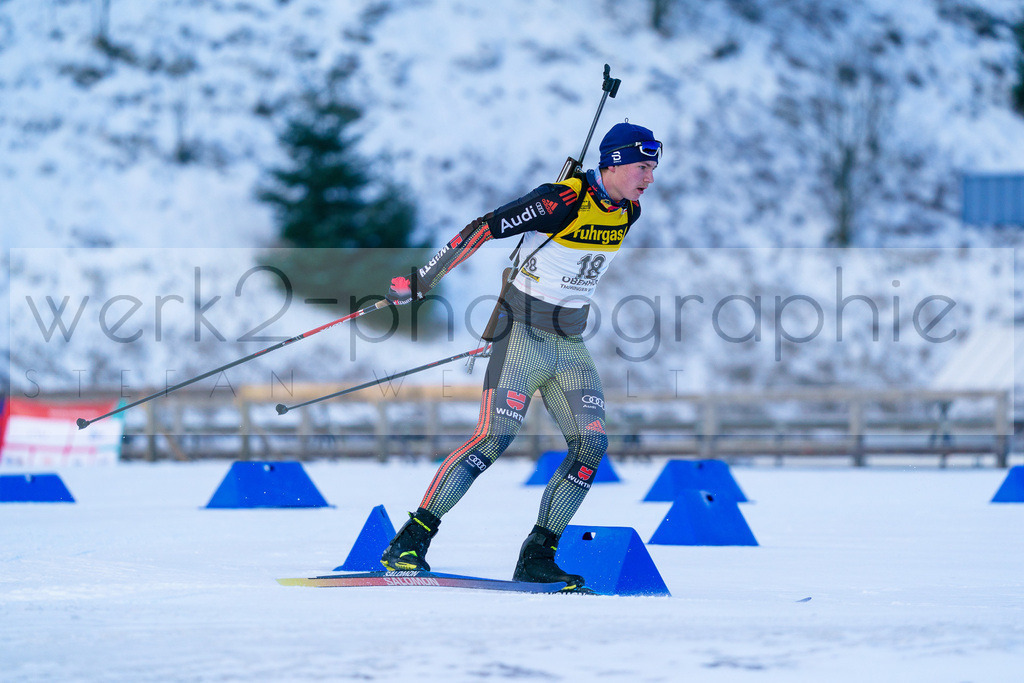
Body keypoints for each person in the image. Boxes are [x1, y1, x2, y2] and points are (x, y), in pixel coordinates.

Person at [379, 122, 660, 591]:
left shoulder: (629, 210)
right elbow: (484, 227)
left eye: (653, 168)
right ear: (612, 162)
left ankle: (537, 556)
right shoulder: (561, 200)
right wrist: (423, 279)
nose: (649, 177)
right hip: (522, 334)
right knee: (493, 439)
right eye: (640, 166)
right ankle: (410, 541)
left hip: (569, 344)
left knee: (591, 447)